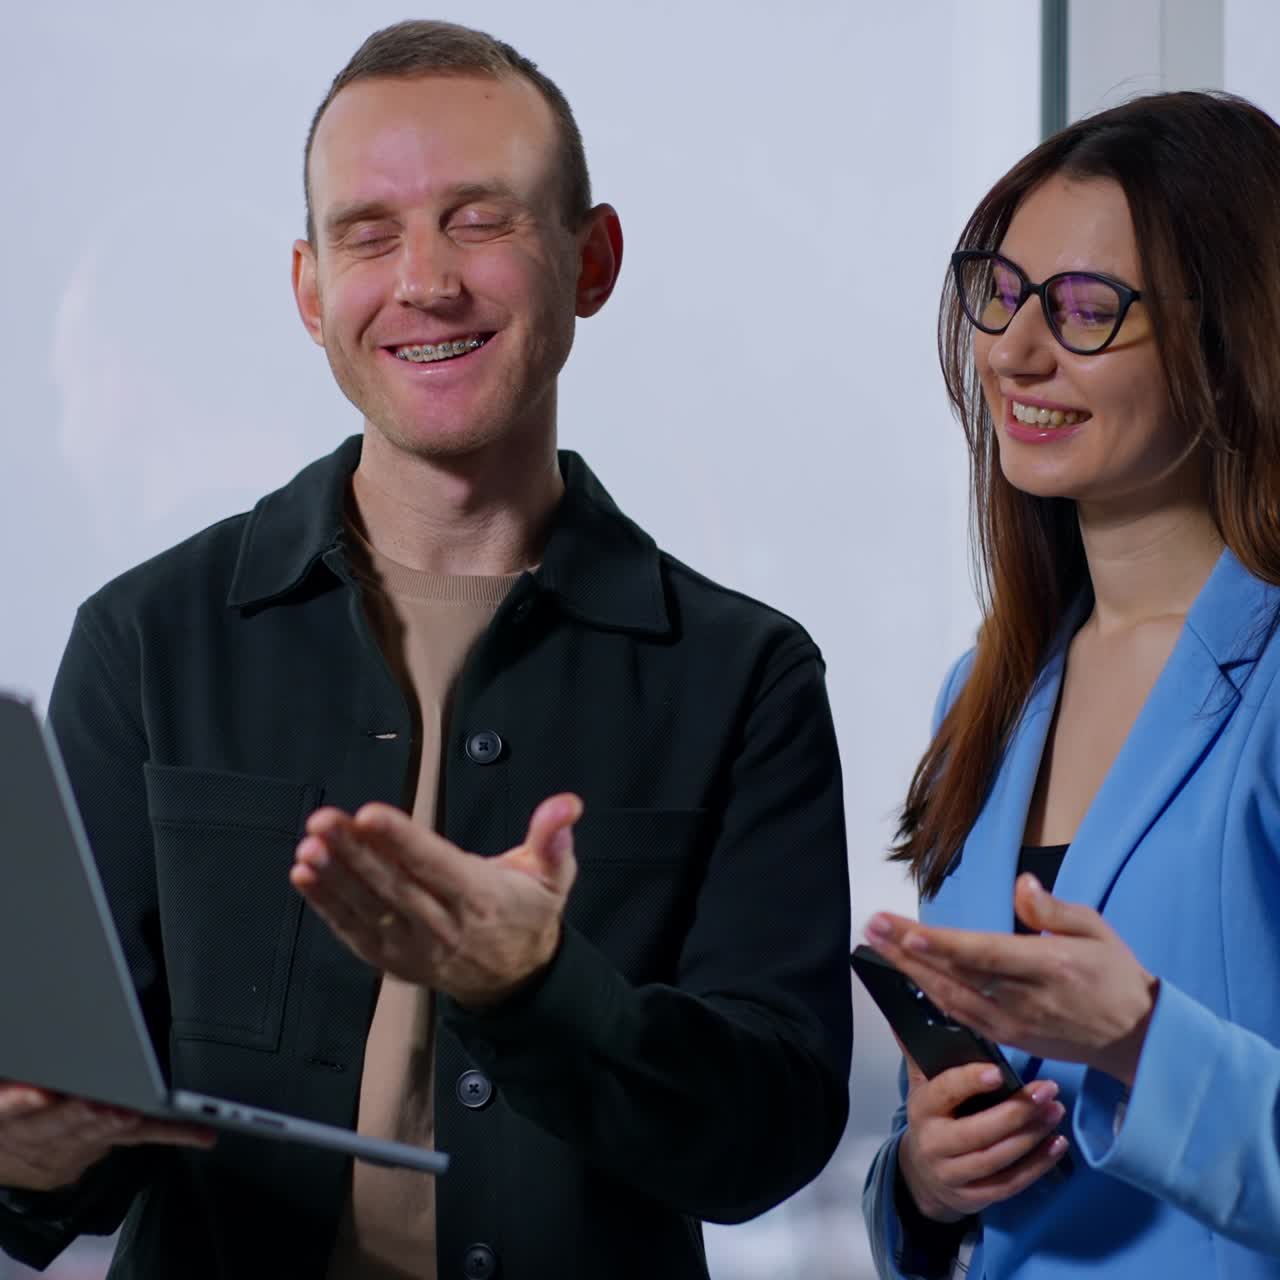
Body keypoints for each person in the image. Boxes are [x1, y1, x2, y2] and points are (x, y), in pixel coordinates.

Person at [0, 21, 852, 1279]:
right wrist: (27, 1151)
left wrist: (538, 986)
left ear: (591, 257)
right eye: (368, 233)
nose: (425, 281)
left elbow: (763, 1140)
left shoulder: (743, 674)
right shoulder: (144, 641)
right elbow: (72, 1153)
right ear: (307, 291)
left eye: (479, 219)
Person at [859, 90, 1280, 1279]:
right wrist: (922, 1180)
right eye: (999, 292)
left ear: (1227, 336)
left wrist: (1143, 1042)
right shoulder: (982, 691)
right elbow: (931, 1150)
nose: (1013, 351)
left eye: (1086, 308)